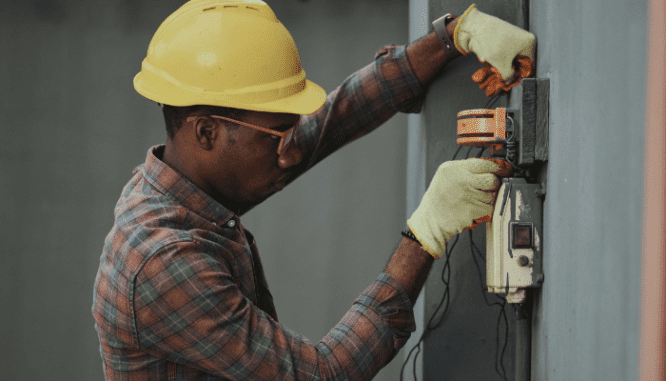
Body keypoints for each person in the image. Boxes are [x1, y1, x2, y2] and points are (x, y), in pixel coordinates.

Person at [92, 1, 535, 380]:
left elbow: (333, 120)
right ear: (206, 133)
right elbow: (323, 374)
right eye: (276, 137)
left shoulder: (188, 183)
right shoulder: (161, 261)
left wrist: (455, 36)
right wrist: (425, 234)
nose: (288, 155)